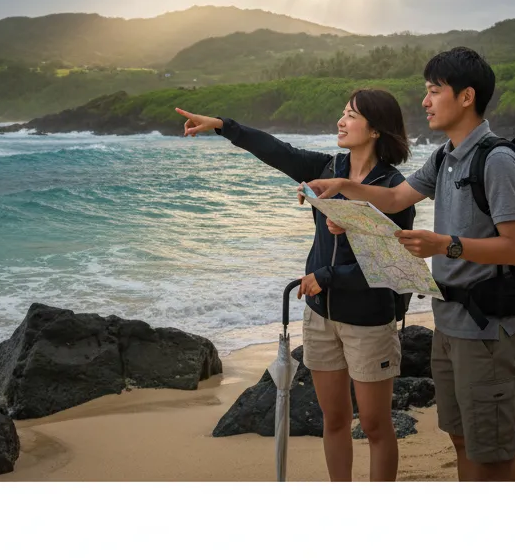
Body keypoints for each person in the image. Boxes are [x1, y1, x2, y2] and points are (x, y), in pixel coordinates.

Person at [306, 47, 515, 482]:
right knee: (463, 440)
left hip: (486, 325)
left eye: (433, 91)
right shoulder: (445, 156)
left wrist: (442, 245)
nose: (424, 102)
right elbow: (393, 198)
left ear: (466, 97)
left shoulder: (497, 160)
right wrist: (344, 186)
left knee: (492, 452)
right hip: (448, 319)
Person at [175, 89, 416, 482]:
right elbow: (277, 151)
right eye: (342, 112)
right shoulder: (328, 168)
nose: (341, 121)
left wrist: (327, 276)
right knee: (333, 420)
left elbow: (391, 267)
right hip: (321, 316)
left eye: (351, 115)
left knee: (374, 426)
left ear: (375, 130)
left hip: (368, 321)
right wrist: (222, 126)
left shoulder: (394, 191)